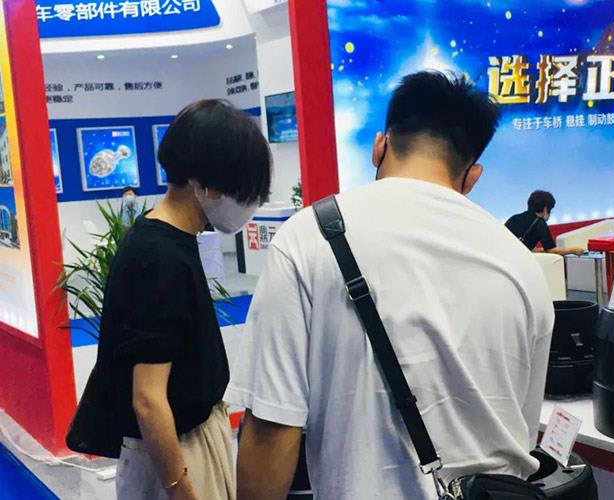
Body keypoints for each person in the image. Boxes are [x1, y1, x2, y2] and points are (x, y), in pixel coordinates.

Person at [226, 71, 554, 499]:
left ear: (380, 146)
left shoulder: (308, 239)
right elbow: (521, 432)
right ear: (472, 175)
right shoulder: (522, 264)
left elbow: (272, 429)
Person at [96, 99, 271, 500]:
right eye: (245, 189)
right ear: (209, 185)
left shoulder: (167, 239)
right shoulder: (161, 257)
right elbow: (148, 399)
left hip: (192, 441)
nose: (249, 203)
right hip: (178, 455)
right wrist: (181, 490)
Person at [505, 190, 585, 256]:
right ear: (545, 209)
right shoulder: (540, 223)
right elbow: (551, 249)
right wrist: (572, 250)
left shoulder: (514, 218)